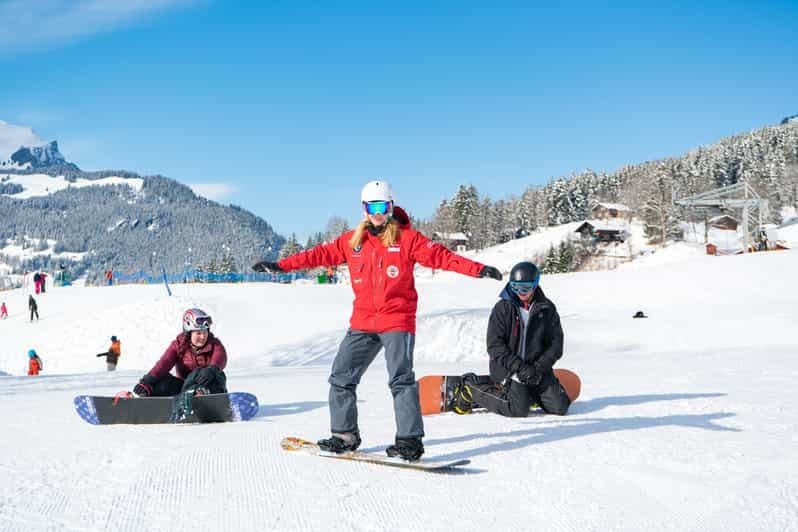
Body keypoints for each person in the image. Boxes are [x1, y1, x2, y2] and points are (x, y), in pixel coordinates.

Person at [252, 180, 503, 461]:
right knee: (341, 378)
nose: (378, 213)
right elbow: (317, 255)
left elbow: (442, 257)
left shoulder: (408, 239)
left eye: (382, 207)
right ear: (364, 209)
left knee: (400, 379)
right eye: (372, 207)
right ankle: (344, 436)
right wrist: (280, 266)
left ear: (391, 206)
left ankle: (409, 441)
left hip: (396, 319)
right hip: (363, 321)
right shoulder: (352, 241)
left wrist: (478, 269)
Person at [451, 261, 571, 418]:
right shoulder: (503, 308)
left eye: (525, 288)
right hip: (509, 368)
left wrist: (538, 368)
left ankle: (528, 393)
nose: (520, 292)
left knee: (560, 407)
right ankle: (470, 387)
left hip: (536, 369)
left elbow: (556, 345)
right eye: (515, 287)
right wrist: (520, 368)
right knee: (517, 410)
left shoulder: (546, 308)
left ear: (535, 285)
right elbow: (495, 346)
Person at [132, 308, 228, 397]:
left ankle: (201, 395)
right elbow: (164, 363)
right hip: (185, 387)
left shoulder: (214, 344)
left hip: (209, 387)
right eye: (198, 333)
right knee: (162, 381)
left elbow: (219, 356)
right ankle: (145, 398)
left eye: (205, 333)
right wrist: (147, 381)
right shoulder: (179, 345)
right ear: (189, 333)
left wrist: (212, 369)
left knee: (204, 372)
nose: (202, 337)